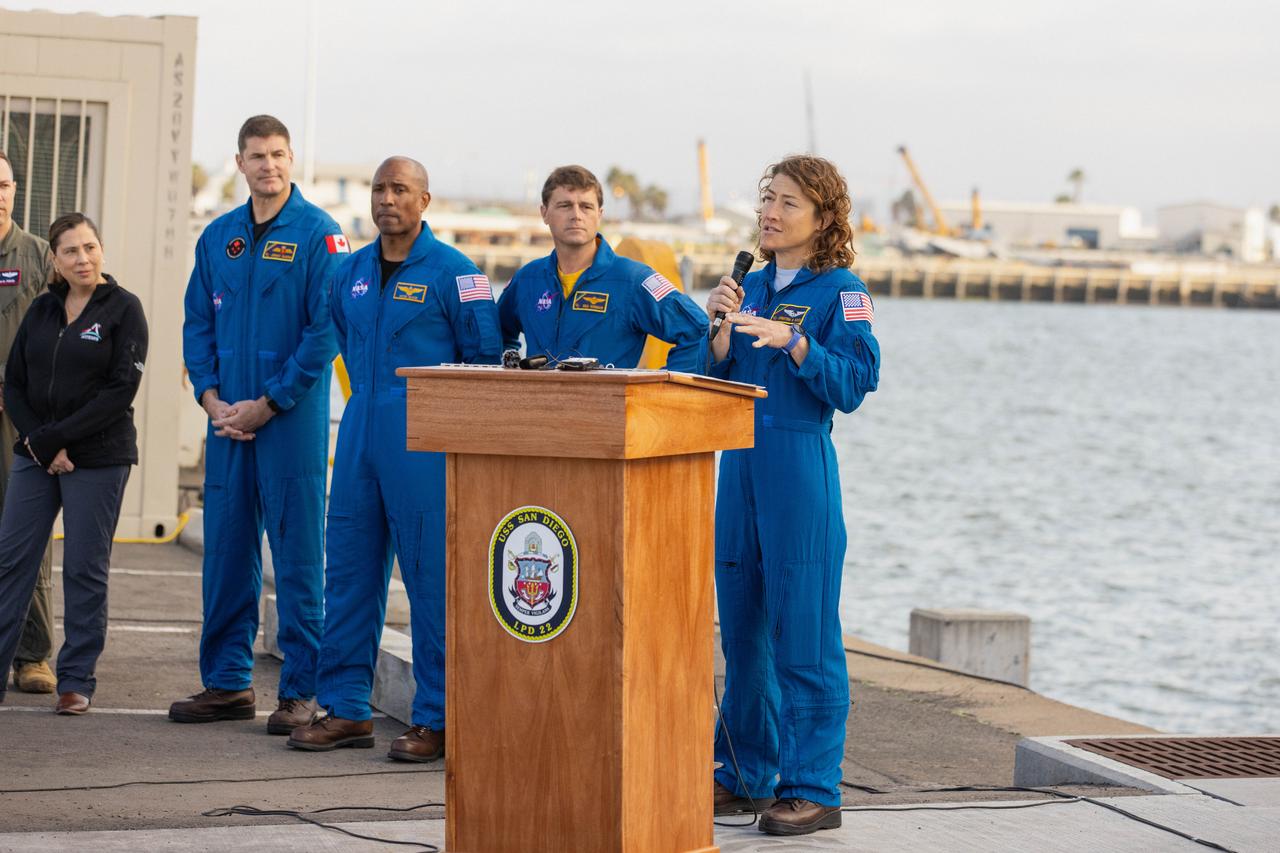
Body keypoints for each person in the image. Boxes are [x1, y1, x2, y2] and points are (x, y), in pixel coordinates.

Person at [287, 156, 501, 760]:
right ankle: (345, 708)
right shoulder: (347, 273)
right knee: (349, 573)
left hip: (425, 444)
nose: (387, 199)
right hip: (359, 435)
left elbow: (484, 363)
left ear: (425, 200)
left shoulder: (458, 275)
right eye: (379, 189)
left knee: (433, 581)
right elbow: (339, 343)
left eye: (400, 189)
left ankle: (437, 718)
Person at [704, 155, 880, 836]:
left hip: (797, 466)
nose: (771, 214)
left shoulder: (842, 290)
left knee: (803, 635)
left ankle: (812, 786)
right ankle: (744, 772)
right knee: (744, 634)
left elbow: (857, 380)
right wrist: (716, 333)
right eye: (767, 200)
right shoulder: (742, 287)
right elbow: (699, 377)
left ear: (823, 218)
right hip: (737, 467)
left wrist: (798, 341)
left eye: (789, 204)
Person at [173, 115, 345, 733]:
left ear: (291, 160)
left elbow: (324, 334)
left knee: (299, 557)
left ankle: (300, 690)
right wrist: (212, 398)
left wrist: (269, 403)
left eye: (277, 154)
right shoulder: (218, 238)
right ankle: (226, 683)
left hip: (288, 423)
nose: (267, 165)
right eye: (256, 156)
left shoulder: (321, 237)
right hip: (226, 423)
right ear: (239, 163)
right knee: (225, 553)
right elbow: (197, 323)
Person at [0, 212, 148, 714]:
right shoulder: (41, 310)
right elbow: (15, 384)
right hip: (37, 455)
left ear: (101, 249)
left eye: (89, 247)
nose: (82, 258)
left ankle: (76, 679)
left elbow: (119, 390)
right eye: (70, 251)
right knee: (11, 564)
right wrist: (42, 443)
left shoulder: (125, 309)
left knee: (85, 569)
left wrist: (57, 439)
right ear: (55, 260)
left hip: (99, 457)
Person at [497, 165, 705, 371]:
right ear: (544, 213)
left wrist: (652, 388)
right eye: (565, 205)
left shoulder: (633, 280)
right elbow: (495, 334)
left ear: (600, 214)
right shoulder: (527, 280)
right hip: (538, 403)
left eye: (586, 207)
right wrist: (512, 369)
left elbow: (700, 334)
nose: (576, 215)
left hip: (608, 403)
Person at [0, 151, 56, 696]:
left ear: (16, 190)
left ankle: (33, 654)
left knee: (24, 533)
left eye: (3, 185)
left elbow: (59, 334)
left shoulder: (40, 257)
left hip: (18, 421)